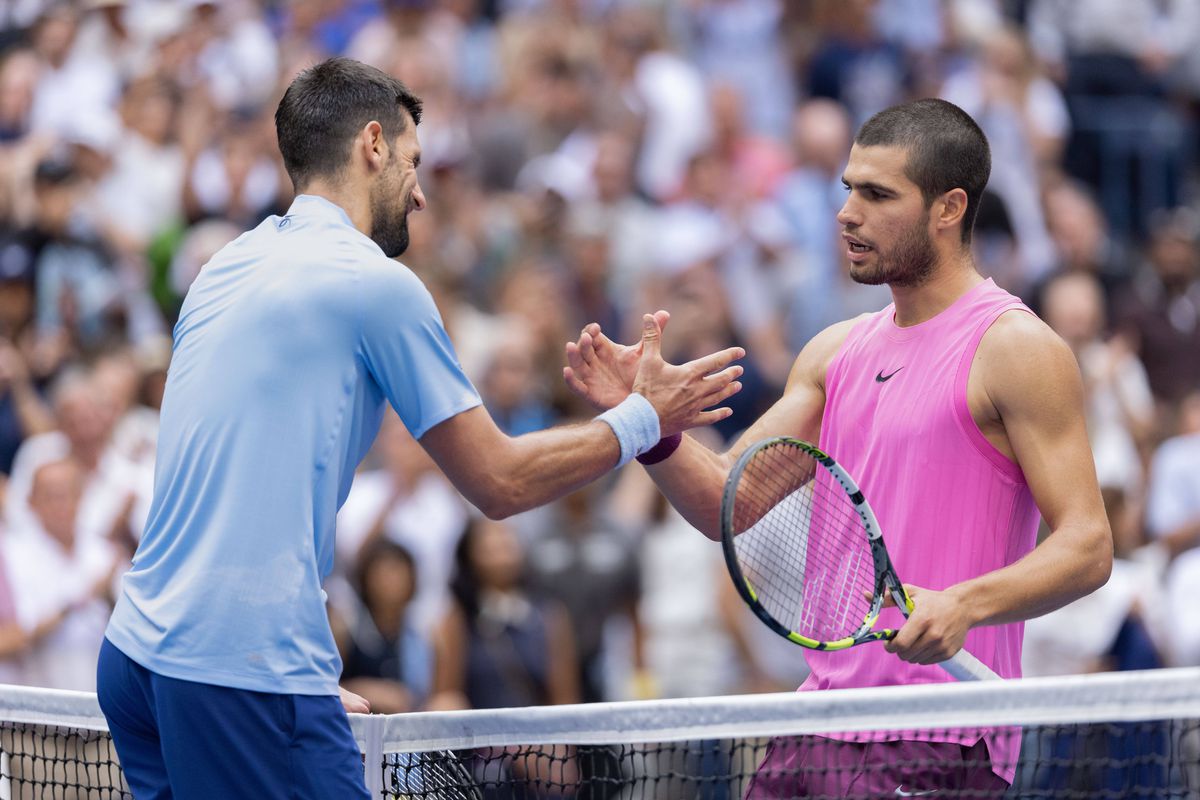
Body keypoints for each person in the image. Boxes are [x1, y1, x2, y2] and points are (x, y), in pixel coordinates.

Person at [95, 57, 744, 800]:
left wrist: (286, 684)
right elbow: (498, 481)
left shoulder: (223, 267)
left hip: (141, 655)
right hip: (233, 670)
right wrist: (643, 419)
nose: (422, 191)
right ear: (373, 145)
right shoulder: (375, 284)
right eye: (412, 162)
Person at [564, 98, 1112, 797]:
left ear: (948, 209)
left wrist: (966, 605)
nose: (847, 212)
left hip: (942, 736)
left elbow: (1089, 545)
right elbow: (727, 505)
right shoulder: (834, 351)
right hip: (814, 728)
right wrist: (646, 426)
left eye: (877, 194)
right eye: (847, 188)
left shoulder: (1017, 348)